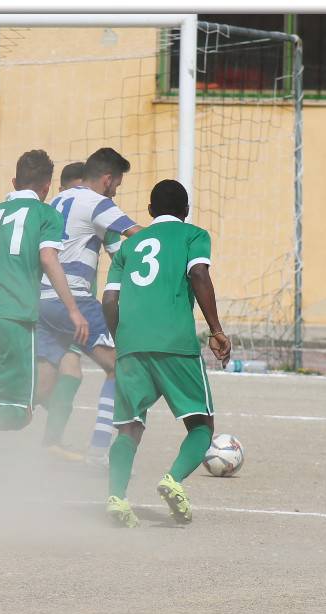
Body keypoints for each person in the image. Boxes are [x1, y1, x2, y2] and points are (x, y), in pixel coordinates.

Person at [101, 179, 231, 528]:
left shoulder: (129, 246)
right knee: (201, 423)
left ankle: (116, 497)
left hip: (130, 344)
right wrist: (216, 330)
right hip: (175, 343)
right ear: (185, 211)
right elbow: (199, 273)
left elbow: (110, 300)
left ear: (149, 211)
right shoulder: (193, 235)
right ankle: (172, 479)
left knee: (128, 428)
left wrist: (122, 341)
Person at [0, 149, 88, 465]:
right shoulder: (46, 215)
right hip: (13, 317)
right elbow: (47, 258)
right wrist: (72, 309)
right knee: (19, 412)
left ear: (13, 182)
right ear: (46, 188)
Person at [33, 148, 143, 466]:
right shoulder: (97, 203)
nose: (115, 191)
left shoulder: (56, 201)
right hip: (74, 299)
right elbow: (137, 237)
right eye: (117, 185)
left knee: (61, 373)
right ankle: (98, 450)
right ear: (107, 179)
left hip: (42, 299)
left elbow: (112, 248)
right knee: (119, 368)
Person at [33, 162, 88, 460]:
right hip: (57, 302)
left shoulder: (53, 208)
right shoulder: (52, 214)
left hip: (58, 302)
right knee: (46, 382)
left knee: (70, 372)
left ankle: (52, 441)